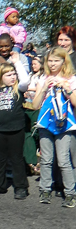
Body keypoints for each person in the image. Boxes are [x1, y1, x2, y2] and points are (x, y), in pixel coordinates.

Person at [31, 46, 76, 208]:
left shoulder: (71, 78)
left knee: (63, 160)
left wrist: (67, 89)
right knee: (46, 159)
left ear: (64, 61)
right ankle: (45, 189)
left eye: (56, 61)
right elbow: (35, 105)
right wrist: (44, 88)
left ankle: (70, 192)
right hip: (46, 123)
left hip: (64, 124)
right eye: (50, 61)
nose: (52, 64)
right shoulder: (43, 78)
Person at [0, 58, 30, 199]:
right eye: (9, 75)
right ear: (1, 76)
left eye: (14, 74)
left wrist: (17, 62)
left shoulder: (18, 89)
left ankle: (21, 187)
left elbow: (25, 81)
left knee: (17, 159)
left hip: (16, 129)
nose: (13, 77)